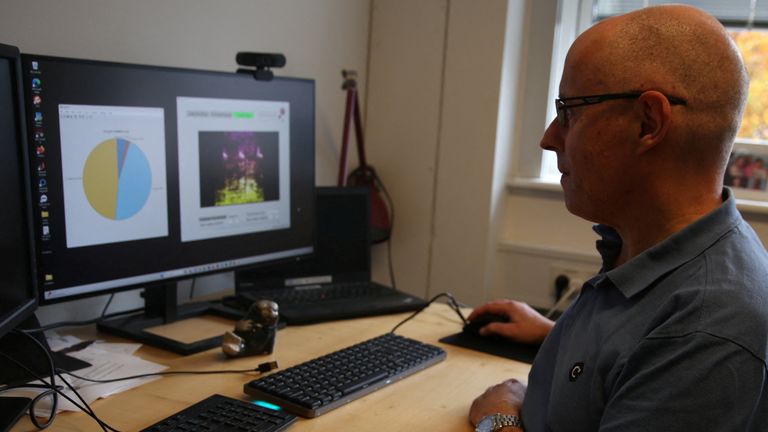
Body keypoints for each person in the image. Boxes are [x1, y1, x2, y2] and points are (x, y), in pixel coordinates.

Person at [468, 5, 768, 432]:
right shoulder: (649, 250)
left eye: (569, 111)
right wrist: (553, 336)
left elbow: (677, 347)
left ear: (648, 122)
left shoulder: (706, 329)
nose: (549, 138)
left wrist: (497, 420)